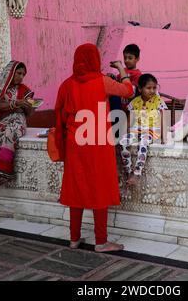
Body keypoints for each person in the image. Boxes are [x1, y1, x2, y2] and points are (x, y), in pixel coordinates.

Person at [55, 43, 134, 253]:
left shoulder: (66, 84)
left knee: (76, 187)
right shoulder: (103, 81)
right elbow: (128, 91)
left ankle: (74, 238)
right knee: (98, 187)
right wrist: (122, 70)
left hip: (75, 143)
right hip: (98, 142)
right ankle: (101, 241)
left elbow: (60, 116)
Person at [120, 74, 168, 186]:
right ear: (140, 89)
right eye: (149, 88)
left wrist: (163, 138)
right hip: (136, 130)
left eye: (154, 88)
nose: (152, 91)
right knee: (123, 143)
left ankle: (137, 173)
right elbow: (129, 120)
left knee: (143, 142)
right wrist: (124, 134)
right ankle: (128, 172)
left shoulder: (159, 101)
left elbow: (163, 120)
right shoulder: (135, 102)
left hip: (151, 131)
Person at [109, 44, 142, 112]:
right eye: (125, 58)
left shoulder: (137, 75)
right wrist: (112, 77)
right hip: (118, 105)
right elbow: (117, 83)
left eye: (130, 58)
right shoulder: (122, 70)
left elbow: (132, 92)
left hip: (128, 108)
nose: (126, 60)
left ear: (137, 59)